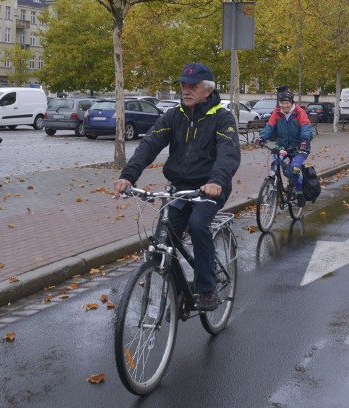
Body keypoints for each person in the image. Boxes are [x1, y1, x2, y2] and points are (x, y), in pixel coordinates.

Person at [113, 63, 241, 311]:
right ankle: (175, 288)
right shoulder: (174, 115)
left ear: (208, 90)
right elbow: (150, 143)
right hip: (179, 189)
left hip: (210, 188)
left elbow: (228, 154)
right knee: (164, 235)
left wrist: (216, 181)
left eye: (193, 86)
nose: (186, 90)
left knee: (197, 225)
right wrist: (128, 176)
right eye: (183, 85)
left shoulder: (222, 117)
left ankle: (206, 288)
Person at [255, 91, 313, 207]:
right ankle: (272, 183)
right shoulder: (277, 113)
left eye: (287, 103)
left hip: (299, 147)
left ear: (292, 103)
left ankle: (299, 192)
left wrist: (304, 140)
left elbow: (306, 128)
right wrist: (262, 137)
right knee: (274, 162)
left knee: (294, 168)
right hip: (282, 147)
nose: (285, 105)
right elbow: (269, 127)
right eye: (282, 103)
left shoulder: (300, 113)